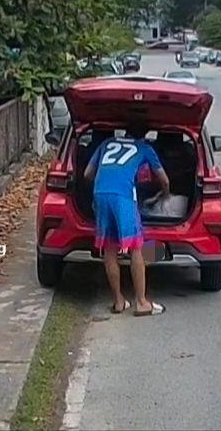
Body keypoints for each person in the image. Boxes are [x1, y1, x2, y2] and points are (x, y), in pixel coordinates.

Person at [84, 121, 170, 316]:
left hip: (100, 192)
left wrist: (102, 185)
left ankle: (118, 302)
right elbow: (164, 180)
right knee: (136, 248)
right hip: (123, 197)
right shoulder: (144, 148)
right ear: (144, 135)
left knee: (110, 248)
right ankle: (141, 302)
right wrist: (165, 194)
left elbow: (87, 174)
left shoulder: (106, 143)